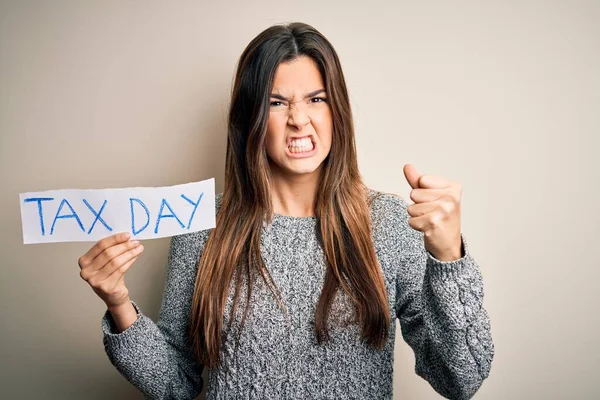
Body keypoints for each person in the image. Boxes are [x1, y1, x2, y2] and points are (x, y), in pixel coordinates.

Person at [77, 22, 494, 399]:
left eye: (316, 99)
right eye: (277, 103)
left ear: (337, 111)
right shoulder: (203, 226)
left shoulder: (387, 224)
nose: (299, 119)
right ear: (251, 118)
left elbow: (462, 378)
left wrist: (449, 258)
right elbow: (177, 384)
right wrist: (119, 303)